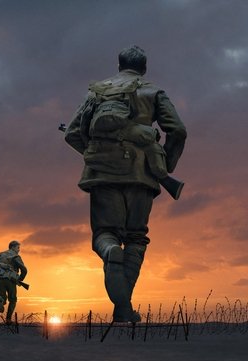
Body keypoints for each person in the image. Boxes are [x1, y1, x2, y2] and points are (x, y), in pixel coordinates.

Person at [63, 45, 187, 323]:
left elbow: (72, 134)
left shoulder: (96, 92)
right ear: (144, 69)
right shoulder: (153, 91)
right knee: (135, 238)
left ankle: (109, 253)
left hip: (102, 176)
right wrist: (165, 166)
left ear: (119, 67)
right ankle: (122, 310)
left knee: (104, 234)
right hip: (141, 176)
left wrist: (96, 155)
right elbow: (178, 130)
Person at [0, 240, 28, 324]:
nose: (19, 250)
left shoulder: (0, 254)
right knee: (13, 300)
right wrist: (20, 279)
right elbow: (24, 269)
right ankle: (8, 319)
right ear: (13, 247)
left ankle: (0, 300)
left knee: (1, 296)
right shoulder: (15, 256)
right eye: (18, 247)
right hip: (10, 280)